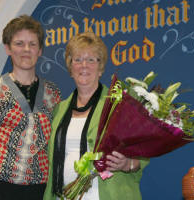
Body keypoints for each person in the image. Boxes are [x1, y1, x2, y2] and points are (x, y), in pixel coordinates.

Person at [43, 32, 149, 200]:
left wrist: (127, 164)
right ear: (70, 68)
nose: (84, 65)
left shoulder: (119, 104)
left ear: (101, 68)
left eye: (91, 60)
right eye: (77, 60)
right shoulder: (59, 109)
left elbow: (142, 152)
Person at [0, 15, 61, 200]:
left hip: (39, 190)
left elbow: (56, 147)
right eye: (19, 43)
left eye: (32, 44)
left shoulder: (53, 94)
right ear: (8, 48)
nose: (26, 49)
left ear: (40, 50)